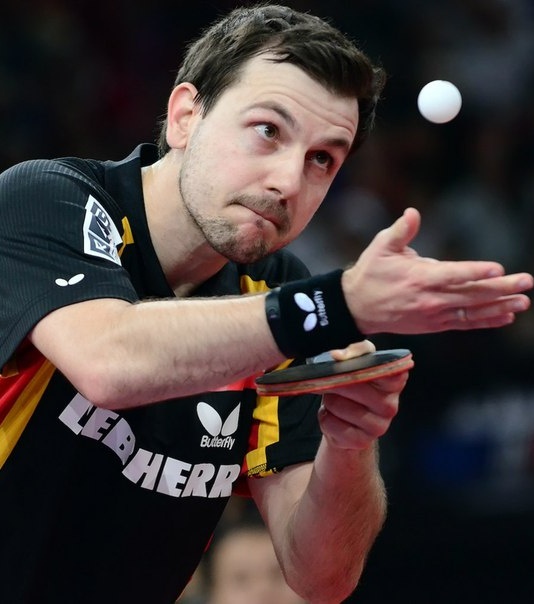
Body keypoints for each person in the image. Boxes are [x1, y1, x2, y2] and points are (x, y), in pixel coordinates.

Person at [0, 4, 531, 604]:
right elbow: (108, 361)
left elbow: (322, 577)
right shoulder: (45, 200)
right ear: (185, 117)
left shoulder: (280, 297)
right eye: (268, 131)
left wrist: (349, 442)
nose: (288, 182)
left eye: (322, 159)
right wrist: (336, 303)